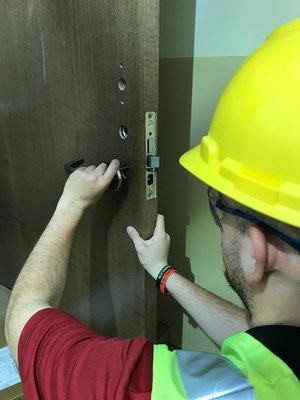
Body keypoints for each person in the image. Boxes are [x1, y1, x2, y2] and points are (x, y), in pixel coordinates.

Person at [5, 19, 300, 400]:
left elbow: (23, 323)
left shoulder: (151, 389)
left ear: (257, 249)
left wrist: (71, 201)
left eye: (220, 208)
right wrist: (163, 272)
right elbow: (266, 347)